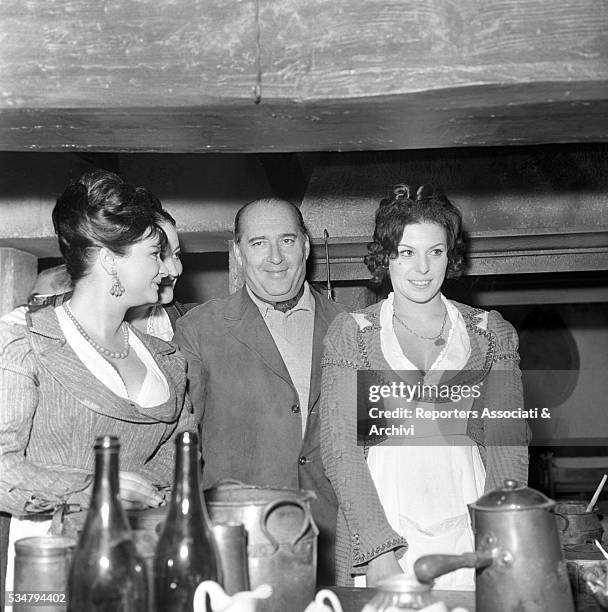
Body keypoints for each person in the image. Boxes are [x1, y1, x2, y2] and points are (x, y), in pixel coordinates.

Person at [320, 184, 530, 589]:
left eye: (435, 252)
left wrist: (497, 542)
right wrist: (378, 555)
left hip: (467, 518)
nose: (422, 268)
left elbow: (508, 448)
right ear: (386, 256)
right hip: (382, 522)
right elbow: (340, 448)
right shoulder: (354, 333)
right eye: (406, 252)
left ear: (450, 256)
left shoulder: (489, 333)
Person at [0, 169, 195, 594]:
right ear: (110, 259)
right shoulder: (26, 342)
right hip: (52, 567)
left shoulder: (164, 356)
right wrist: (97, 488)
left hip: (144, 558)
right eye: (154, 254)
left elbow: (183, 453)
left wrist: (149, 495)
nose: (167, 268)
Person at [174, 198, 346, 585]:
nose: (275, 258)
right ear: (237, 252)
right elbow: (181, 447)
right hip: (238, 549)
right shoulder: (198, 330)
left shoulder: (353, 327)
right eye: (258, 243)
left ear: (306, 245)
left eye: (287, 240)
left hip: (333, 547)